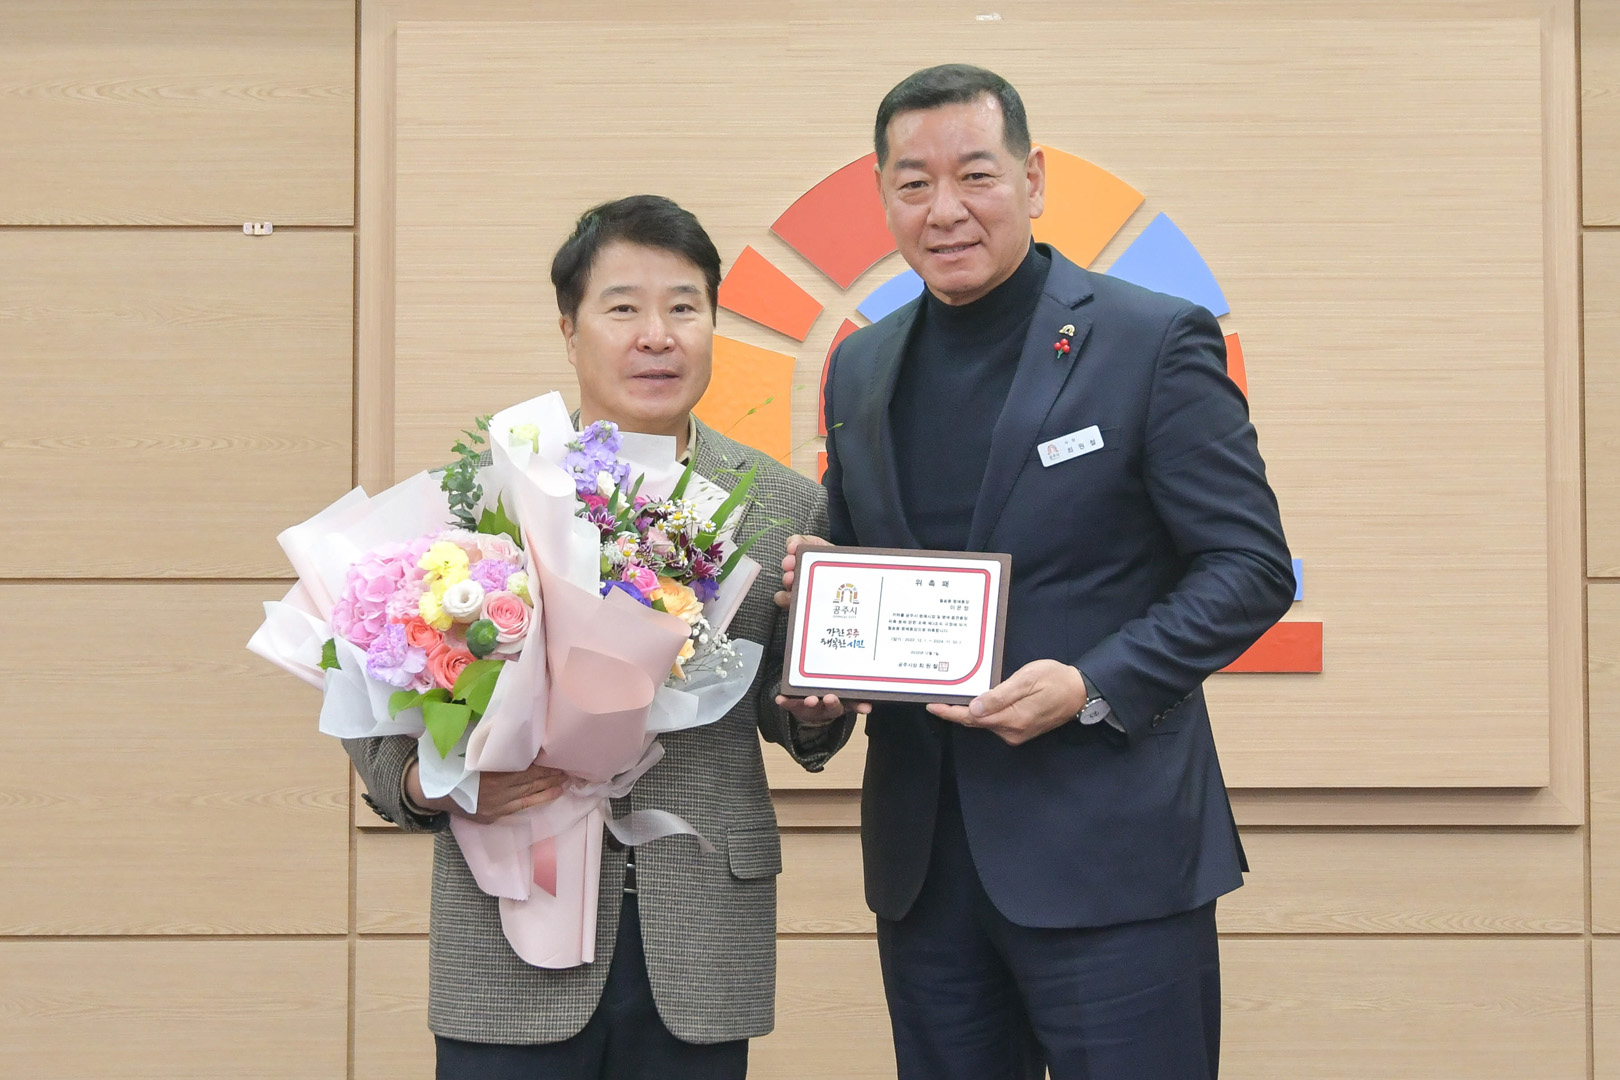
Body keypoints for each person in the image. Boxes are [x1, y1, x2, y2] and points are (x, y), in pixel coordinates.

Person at [777, 65, 1295, 1080]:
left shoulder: (1150, 340)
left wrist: (1093, 682)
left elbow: (1250, 566)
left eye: (976, 175)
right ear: (883, 198)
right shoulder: (860, 367)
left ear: (1034, 178)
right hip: (927, 870)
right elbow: (863, 567)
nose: (945, 210)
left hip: (1112, 858)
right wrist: (821, 661)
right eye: (914, 184)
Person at [348, 195, 853, 1080]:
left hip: (698, 932)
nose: (657, 336)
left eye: (684, 307)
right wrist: (431, 786)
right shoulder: (483, 492)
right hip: (508, 922)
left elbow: (795, 714)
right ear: (569, 331)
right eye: (623, 308)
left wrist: (817, 711)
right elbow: (374, 674)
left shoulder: (782, 505)